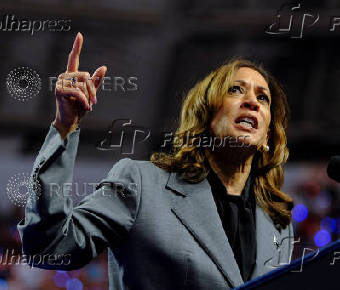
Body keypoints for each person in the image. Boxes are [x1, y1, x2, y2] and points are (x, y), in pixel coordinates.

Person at [17, 32, 294, 289]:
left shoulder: (278, 224)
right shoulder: (142, 184)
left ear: (267, 134)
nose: (253, 102)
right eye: (235, 90)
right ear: (206, 116)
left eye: (263, 97)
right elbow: (50, 248)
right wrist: (65, 127)